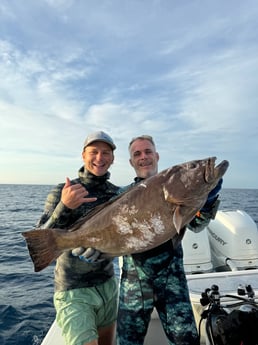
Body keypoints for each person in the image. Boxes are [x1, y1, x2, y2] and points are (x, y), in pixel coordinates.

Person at [116, 135, 222, 345]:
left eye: (148, 152)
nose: (143, 157)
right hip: (134, 284)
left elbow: (197, 226)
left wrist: (206, 202)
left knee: (186, 340)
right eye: (137, 154)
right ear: (131, 162)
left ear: (157, 156)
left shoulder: (179, 191)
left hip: (172, 281)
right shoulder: (121, 196)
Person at [36, 131, 120, 345]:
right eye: (93, 152)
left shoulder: (117, 194)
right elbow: (40, 239)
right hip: (74, 292)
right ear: (83, 155)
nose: (99, 158)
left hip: (109, 286)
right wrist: (64, 206)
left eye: (105, 153)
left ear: (112, 158)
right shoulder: (63, 191)